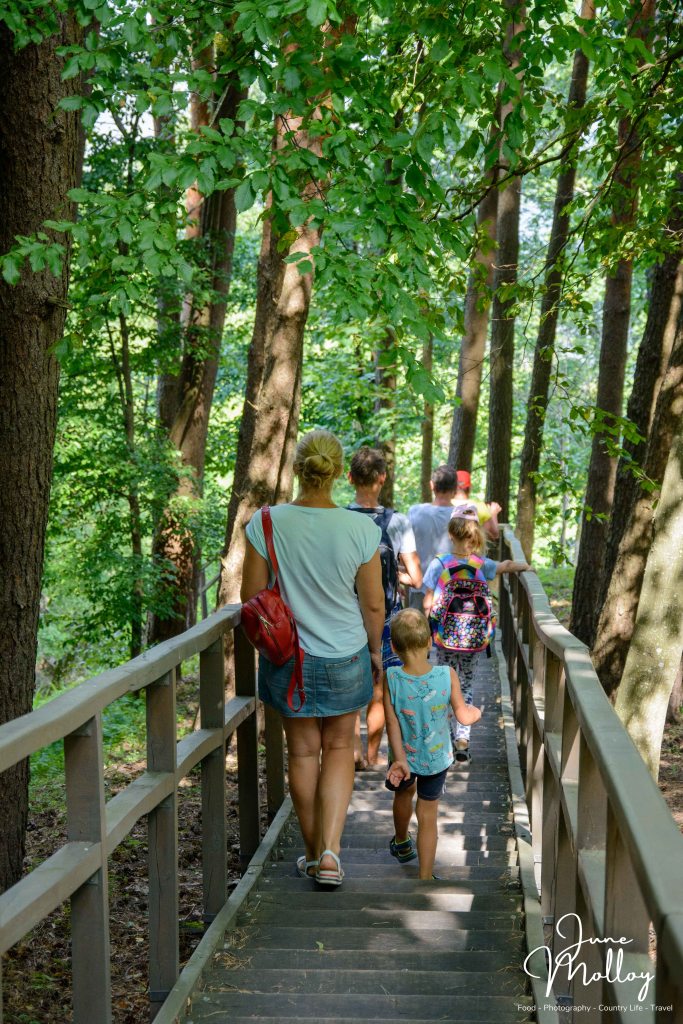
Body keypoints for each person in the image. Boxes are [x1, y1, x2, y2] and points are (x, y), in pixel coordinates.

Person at [241, 429, 385, 887]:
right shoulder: (361, 529)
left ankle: (310, 850)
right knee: (340, 747)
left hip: (289, 659)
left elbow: (251, 598)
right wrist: (376, 651)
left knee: (302, 753)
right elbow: (374, 604)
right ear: (340, 472)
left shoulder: (267, 523)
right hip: (345, 654)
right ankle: (330, 853)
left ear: (297, 468)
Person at [423, 502, 530, 767]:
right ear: (475, 535)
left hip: (445, 638)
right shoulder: (480, 564)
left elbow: (428, 602)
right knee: (467, 685)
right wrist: (525, 567)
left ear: (451, 533)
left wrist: (427, 632)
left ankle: (445, 741)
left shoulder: (440, 563)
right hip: (473, 639)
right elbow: (505, 565)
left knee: (445, 684)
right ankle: (463, 740)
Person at [383, 608, 482, 880]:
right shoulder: (446, 675)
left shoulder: (391, 678)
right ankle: (425, 877)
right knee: (428, 815)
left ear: (393, 646)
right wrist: (476, 713)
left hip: (403, 759)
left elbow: (391, 723)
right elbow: (463, 716)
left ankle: (401, 841)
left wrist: (399, 759)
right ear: (430, 642)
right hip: (436, 759)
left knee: (403, 795)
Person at [346, 446, 423, 769]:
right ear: (382, 478)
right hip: (388, 617)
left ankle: (353, 753)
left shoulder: (340, 519)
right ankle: (373, 754)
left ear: (350, 478)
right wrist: (396, 575)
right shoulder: (398, 522)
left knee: (350, 687)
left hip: (346, 615)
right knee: (379, 688)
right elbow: (416, 578)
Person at [408, 466, 459, 600]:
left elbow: (404, 550)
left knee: (415, 615)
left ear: (432, 485)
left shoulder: (415, 512)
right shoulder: (463, 516)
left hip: (420, 588)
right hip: (454, 589)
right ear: (455, 488)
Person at [454, 469, 501, 542]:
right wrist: (493, 514)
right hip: (472, 548)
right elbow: (494, 535)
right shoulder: (481, 507)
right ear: (470, 487)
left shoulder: (445, 506)